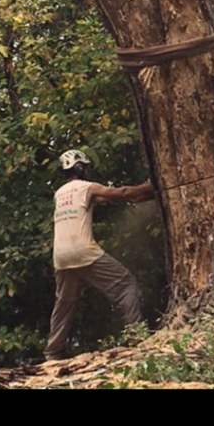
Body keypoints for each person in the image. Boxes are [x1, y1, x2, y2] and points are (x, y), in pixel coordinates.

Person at [44, 150, 155, 361]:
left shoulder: (59, 193)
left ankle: (53, 352)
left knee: (64, 303)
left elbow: (102, 199)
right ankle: (137, 339)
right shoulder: (87, 187)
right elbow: (121, 192)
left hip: (60, 257)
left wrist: (138, 195)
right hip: (83, 250)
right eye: (85, 167)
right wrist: (151, 186)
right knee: (126, 285)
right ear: (80, 167)